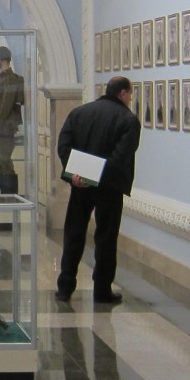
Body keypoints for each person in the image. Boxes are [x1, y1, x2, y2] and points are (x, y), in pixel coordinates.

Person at [55, 76, 140, 304]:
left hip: (80, 184)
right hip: (109, 187)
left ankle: (65, 287)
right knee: (106, 238)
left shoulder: (79, 113)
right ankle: (102, 290)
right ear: (122, 93)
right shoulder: (129, 121)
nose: (130, 99)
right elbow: (120, 158)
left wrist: (77, 175)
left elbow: (63, 145)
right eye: (130, 94)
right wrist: (94, 177)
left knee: (73, 234)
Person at [0, 46, 25, 194]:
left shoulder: (10, 79)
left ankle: (10, 196)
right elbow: (0, 103)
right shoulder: (3, 78)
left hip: (4, 127)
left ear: (2, 60)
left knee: (4, 161)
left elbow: (6, 105)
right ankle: (5, 195)